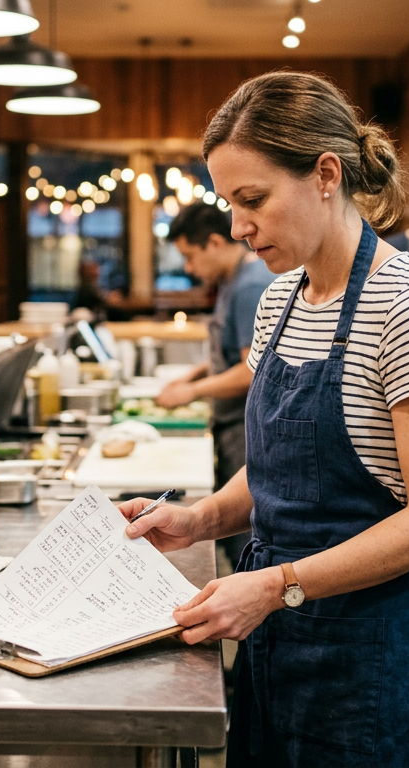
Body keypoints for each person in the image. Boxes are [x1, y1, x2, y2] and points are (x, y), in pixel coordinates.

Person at [120, 71, 409, 767]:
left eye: (252, 199)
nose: (237, 226)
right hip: (277, 636)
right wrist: (202, 519)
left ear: (325, 174)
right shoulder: (280, 300)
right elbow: (286, 464)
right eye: (229, 203)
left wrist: (279, 585)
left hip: (373, 650)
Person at [155, 203, 275, 567]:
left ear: (213, 243)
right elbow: (237, 349)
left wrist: (192, 392)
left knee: (245, 538)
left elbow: (253, 368)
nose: (189, 269)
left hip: (245, 426)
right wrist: (196, 374)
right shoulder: (233, 281)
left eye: (190, 257)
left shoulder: (251, 287)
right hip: (231, 424)